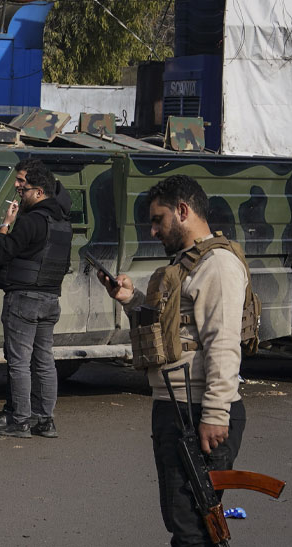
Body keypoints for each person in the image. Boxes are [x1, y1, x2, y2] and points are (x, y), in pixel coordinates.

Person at [97, 175, 248, 546]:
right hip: (176, 406)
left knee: (193, 526)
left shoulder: (218, 265)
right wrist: (131, 300)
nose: (153, 230)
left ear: (183, 211)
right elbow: (171, 326)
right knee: (188, 520)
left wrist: (215, 413)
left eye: (158, 219)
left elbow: (224, 343)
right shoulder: (188, 264)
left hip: (196, 410)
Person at [0, 159, 71, 438]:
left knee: (20, 362)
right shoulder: (62, 223)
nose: (19, 192)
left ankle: (20, 421)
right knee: (44, 361)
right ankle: (45, 421)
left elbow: (1, 253)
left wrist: (5, 225)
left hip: (24, 298)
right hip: (50, 299)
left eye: (24, 189)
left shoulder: (32, 220)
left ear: (38, 192)